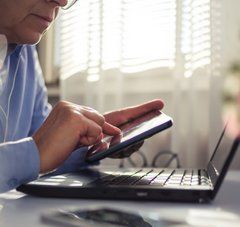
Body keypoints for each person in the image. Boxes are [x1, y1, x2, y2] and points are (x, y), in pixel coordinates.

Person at [0, 0, 164, 193]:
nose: (62, 1)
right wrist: (34, 153)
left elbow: (41, 143)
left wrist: (90, 140)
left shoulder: (25, 51)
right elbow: (36, 150)